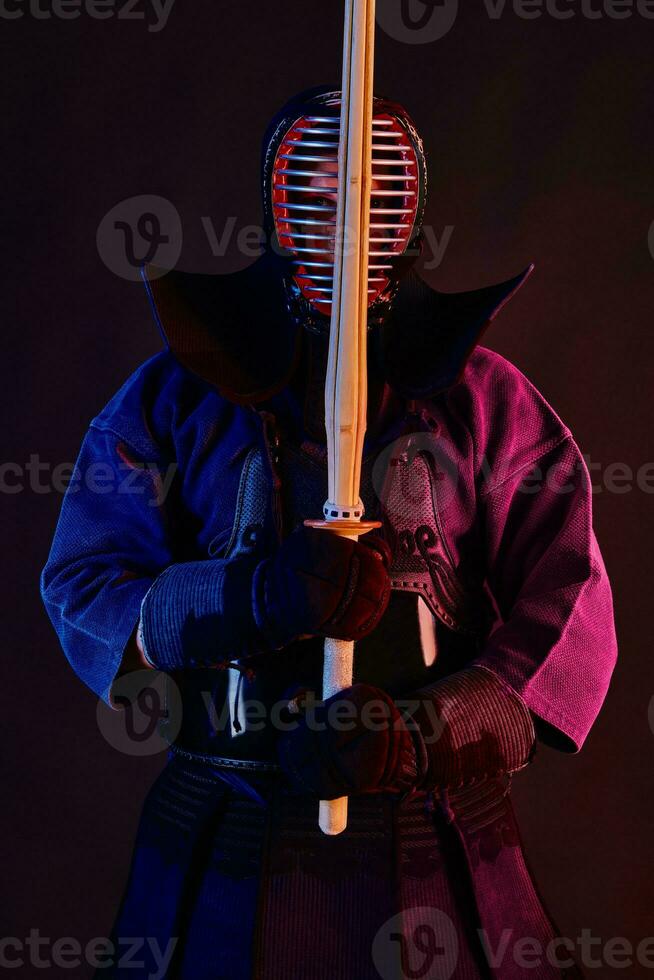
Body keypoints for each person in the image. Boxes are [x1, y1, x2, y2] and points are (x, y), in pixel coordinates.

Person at [41, 87, 617, 979]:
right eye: (321, 184)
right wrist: (245, 598)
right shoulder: (171, 398)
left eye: (371, 189)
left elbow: (571, 601)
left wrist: (427, 731)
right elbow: (85, 584)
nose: (346, 214)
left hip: (439, 829)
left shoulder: (488, 398)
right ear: (280, 201)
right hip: (225, 818)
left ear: (408, 206)